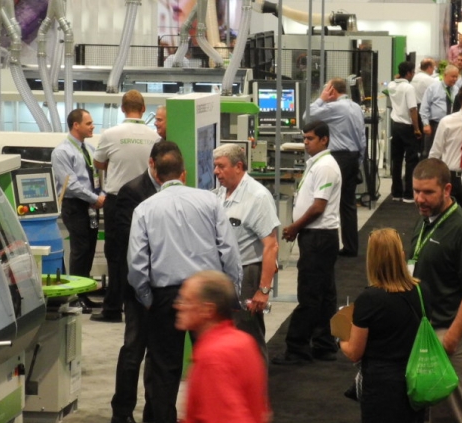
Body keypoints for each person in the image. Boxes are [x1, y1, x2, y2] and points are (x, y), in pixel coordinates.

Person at [127, 148, 242, 423]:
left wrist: (147, 297)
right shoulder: (210, 201)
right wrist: (231, 293)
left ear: (156, 175)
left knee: (164, 370)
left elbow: (136, 263)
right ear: (184, 173)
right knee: (215, 365)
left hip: (165, 296)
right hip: (209, 294)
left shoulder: (144, 209)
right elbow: (229, 251)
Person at [408, 158, 462, 423]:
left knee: (447, 414)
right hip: (421, 332)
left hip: (445, 333)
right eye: (416, 191)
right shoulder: (424, 221)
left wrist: (451, 339)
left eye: (428, 192)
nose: (420, 199)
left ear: (446, 189)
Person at [108, 140, 180, 423]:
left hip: (166, 287)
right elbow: (127, 241)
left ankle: (155, 412)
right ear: (152, 163)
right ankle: (122, 412)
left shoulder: (173, 189)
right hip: (139, 285)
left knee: (159, 354)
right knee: (133, 349)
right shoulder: (132, 191)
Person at [339, 229, 427, 423]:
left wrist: (340, 333)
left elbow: (354, 352)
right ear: (400, 255)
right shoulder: (419, 291)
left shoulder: (369, 299)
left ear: (372, 259)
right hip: (415, 382)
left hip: (381, 387)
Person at [274, 121, 344, 365]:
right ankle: (324, 344)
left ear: (324, 139)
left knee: (310, 294)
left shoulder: (325, 166)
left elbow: (318, 206)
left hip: (318, 237)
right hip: (318, 236)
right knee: (324, 294)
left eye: (310, 138)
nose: (305, 143)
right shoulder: (318, 164)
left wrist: (295, 226)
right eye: (304, 138)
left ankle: (297, 348)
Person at [95, 89, 162, 322]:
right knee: (147, 252)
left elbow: (99, 162)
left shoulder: (110, 134)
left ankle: (113, 308)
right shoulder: (155, 138)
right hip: (148, 198)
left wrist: (117, 164)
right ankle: (142, 303)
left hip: (117, 201)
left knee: (116, 254)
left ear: (123, 109)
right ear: (143, 109)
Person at [212, 144, 280, 356]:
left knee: (248, 337)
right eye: (215, 166)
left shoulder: (257, 197)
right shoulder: (220, 193)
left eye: (221, 166)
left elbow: (271, 245)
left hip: (247, 274)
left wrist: (264, 290)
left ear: (238, 166)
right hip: (224, 275)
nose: (216, 171)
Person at [177, 271, 270, 423]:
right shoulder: (244, 341)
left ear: (208, 310)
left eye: (186, 301)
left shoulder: (213, 357)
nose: (178, 306)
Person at [305, 78, 368, 257]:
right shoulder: (356, 107)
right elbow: (362, 137)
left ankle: (324, 246)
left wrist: (321, 98)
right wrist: (359, 159)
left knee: (325, 200)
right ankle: (350, 246)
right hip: (352, 156)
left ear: (332, 90)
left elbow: (307, 116)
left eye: (327, 88)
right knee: (348, 204)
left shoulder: (335, 108)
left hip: (338, 158)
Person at [52, 108, 105, 312]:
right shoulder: (62, 152)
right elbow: (71, 185)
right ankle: (74, 297)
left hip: (90, 205)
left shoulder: (89, 149)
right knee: (80, 250)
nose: (93, 127)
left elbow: (97, 177)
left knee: (89, 249)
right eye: (88, 123)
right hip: (75, 206)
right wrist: (95, 198)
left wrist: (101, 195)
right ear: (76, 125)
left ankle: (84, 293)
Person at [389, 61, 423, 202]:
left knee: (396, 160)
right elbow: (413, 109)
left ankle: (396, 193)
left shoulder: (391, 85)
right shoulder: (409, 88)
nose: (414, 74)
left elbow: (396, 79)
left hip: (395, 125)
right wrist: (417, 129)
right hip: (407, 126)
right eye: (413, 72)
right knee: (411, 160)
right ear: (408, 73)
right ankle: (408, 194)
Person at [422, 66, 462, 154]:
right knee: (431, 151)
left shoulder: (456, 90)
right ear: (445, 75)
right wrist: (426, 124)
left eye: (456, 77)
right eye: (452, 76)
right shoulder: (433, 88)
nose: (455, 79)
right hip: (435, 125)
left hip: (451, 125)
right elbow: (425, 107)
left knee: (447, 151)